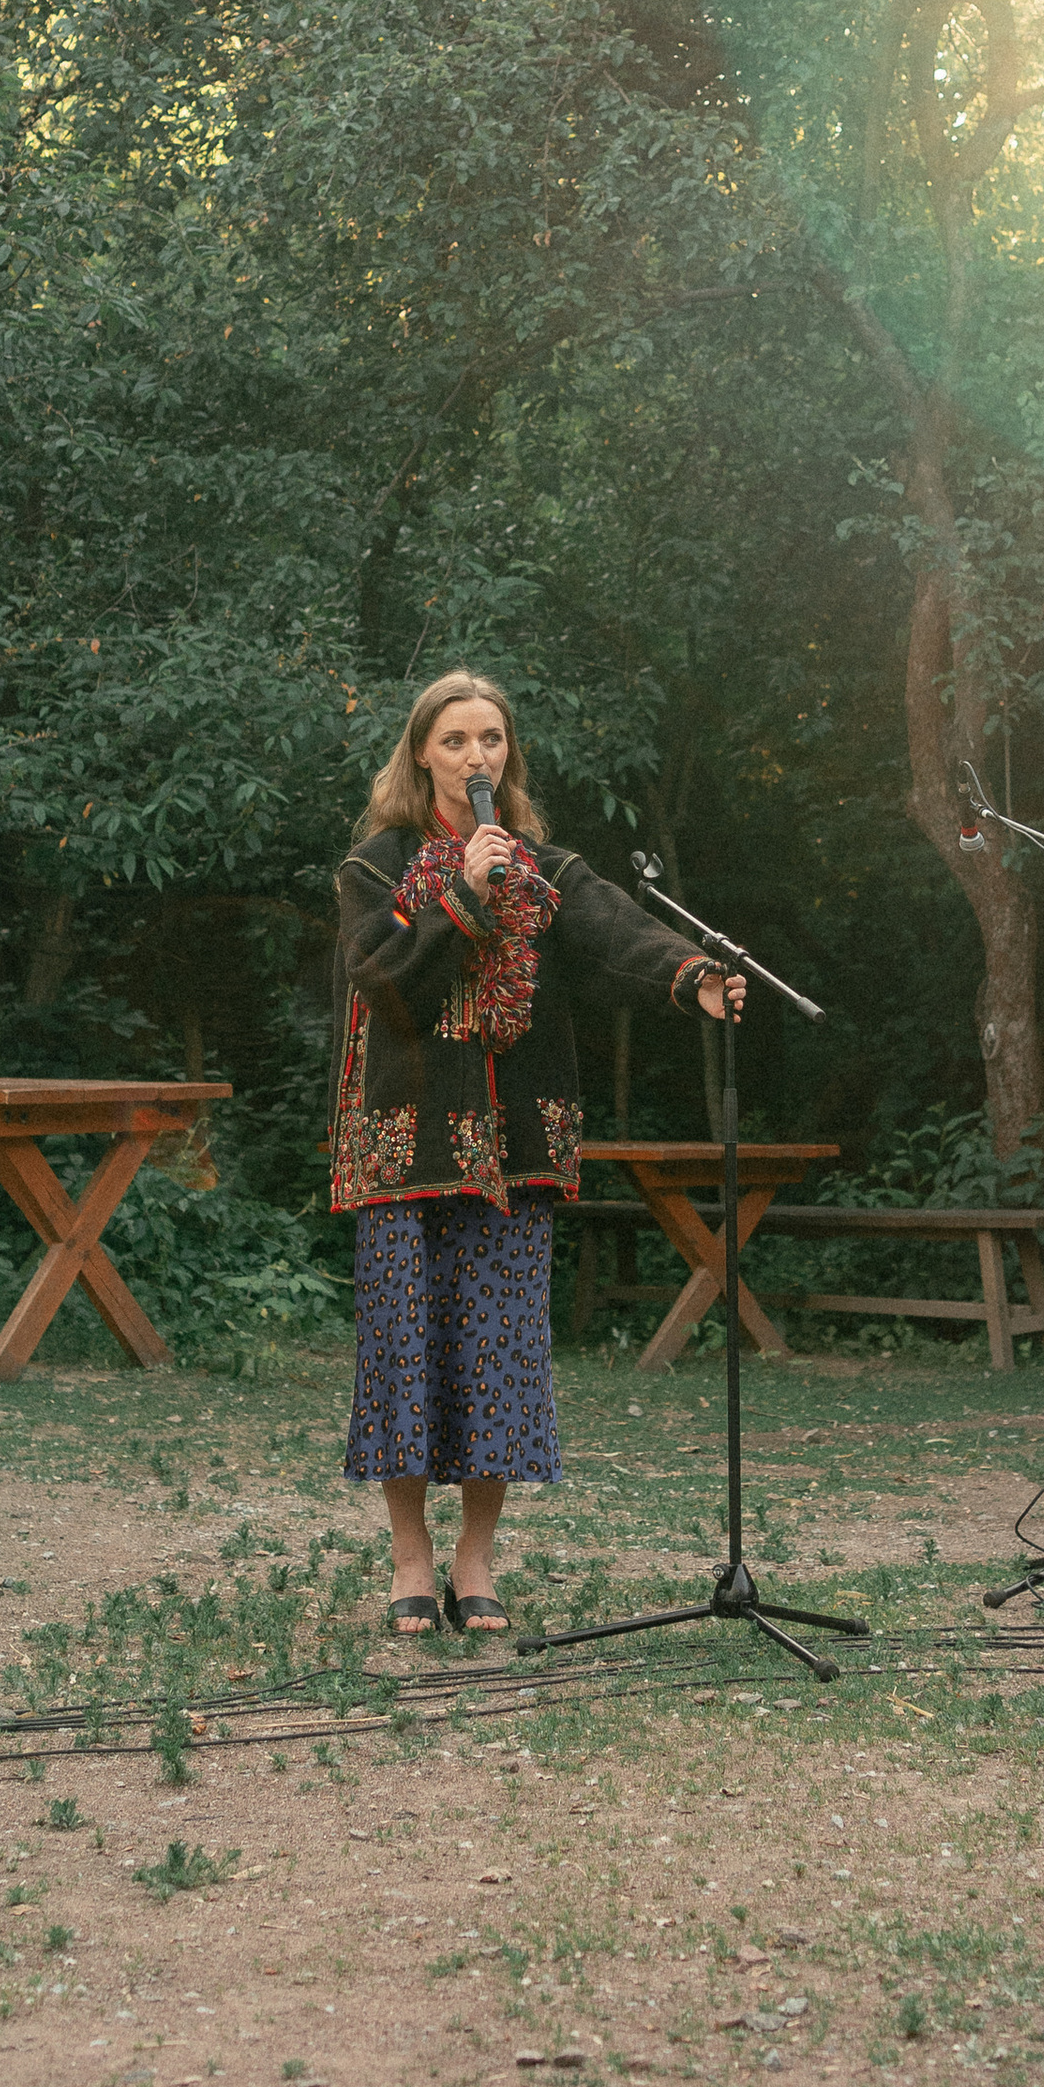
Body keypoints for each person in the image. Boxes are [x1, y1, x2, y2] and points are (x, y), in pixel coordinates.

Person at [330, 669, 741, 1635]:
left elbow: (615, 933)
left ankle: (474, 1559)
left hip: (513, 1155)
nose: (478, 757)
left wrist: (693, 977)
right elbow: (385, 983)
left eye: (493, 740)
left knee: (496, 1355)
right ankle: (409, 1558)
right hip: (406, 1149)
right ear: (421, 754)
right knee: (404, 1355)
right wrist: (463, 896)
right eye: (457, 741)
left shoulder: (545, 870)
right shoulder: (374, 869)